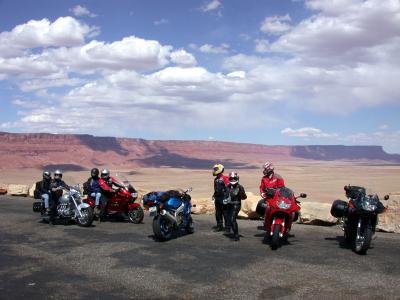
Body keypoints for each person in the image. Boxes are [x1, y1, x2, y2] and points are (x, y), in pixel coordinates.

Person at [227, 172, 247, 241]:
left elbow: (244, 197)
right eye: (231, 178)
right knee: (229, 218)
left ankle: (236, 235)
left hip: (236, 204)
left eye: (234, 178)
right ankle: (229, 230)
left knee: (232, 219)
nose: (232, 180)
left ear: (237, 178)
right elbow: (225, 194)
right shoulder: (227, 186)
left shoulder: (240, 187)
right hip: (229, 204)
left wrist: (241, 194)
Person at [212, 163, 230, 232]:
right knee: (218, 213)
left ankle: (228, 227)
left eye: (216, 169)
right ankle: (219, 226)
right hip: (217, 198)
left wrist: (227, 197)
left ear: (220, 169)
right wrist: (214, 195)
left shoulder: (225, 178)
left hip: (224, 198)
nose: (214, 170)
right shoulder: (216, 179)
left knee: (225, 213)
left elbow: (228, 188)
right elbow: (216, 188)